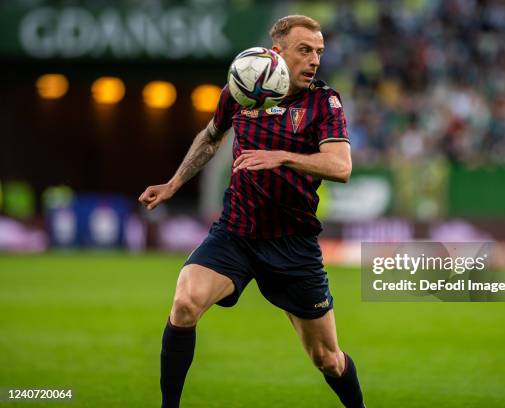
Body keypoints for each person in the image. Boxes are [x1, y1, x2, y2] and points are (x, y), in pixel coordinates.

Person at [139, 15, 365, 408]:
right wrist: (174, 183)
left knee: (327, 359)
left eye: (319, 52)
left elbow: (340, 166)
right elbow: (211, 137)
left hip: (293, 244)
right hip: (236, 233)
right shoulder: (242, 88)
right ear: (277, 52)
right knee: (185, 302)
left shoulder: (323, 101)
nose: (314, 60)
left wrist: (282, 157)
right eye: (304, 50)